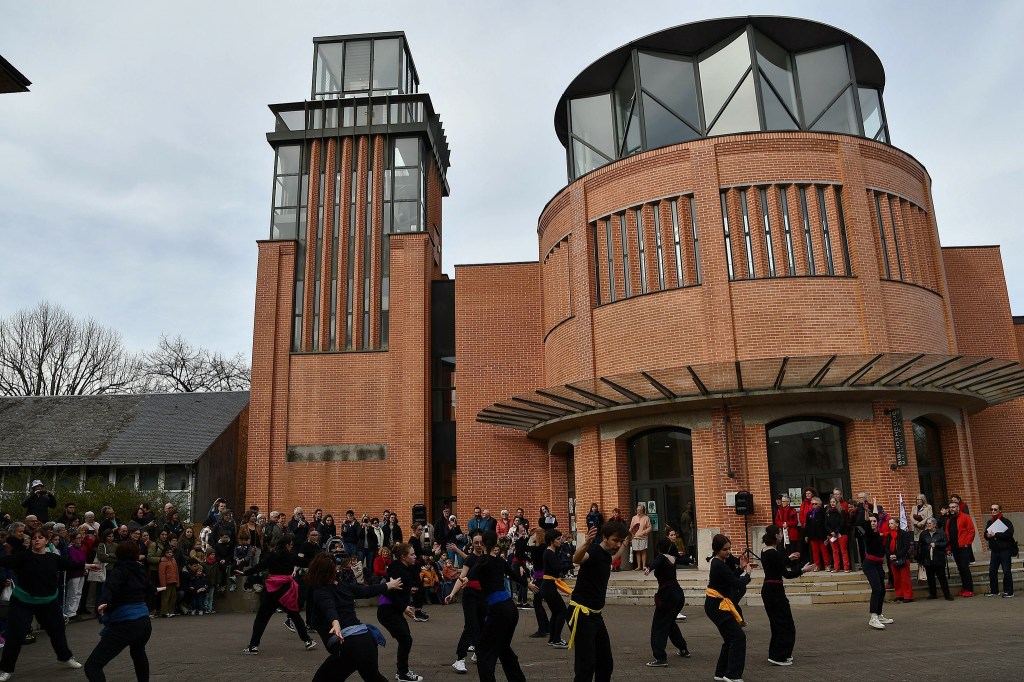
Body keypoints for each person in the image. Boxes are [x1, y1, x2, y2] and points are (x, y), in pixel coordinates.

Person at [0, 529, 101, 680]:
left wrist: (88, 566)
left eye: (40, 537)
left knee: (58, 631)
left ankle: (65, 658)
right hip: (23, 602)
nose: (37, 540)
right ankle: (6, 669)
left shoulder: (52, 558)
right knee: (15, 635)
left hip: (48, 602)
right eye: (34, 538)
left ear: (46, 541)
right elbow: (4, 561)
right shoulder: (23, 556)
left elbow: (69, 564)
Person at [445, 530, 538, 682]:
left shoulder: (482, 560)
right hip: (511, 609)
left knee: (483, 651)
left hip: (499, 610)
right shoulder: (500, 561)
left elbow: (470, 574)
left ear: (483, 543)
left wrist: (465, 580)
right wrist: (528, 584)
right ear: (496, 544)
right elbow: (514, 575)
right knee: (503, 648)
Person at [568, 519, 636, 682]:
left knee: (605, 662)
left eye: (619, 541)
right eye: (615, 540)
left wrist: (627, 540)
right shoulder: (593, 551)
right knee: (586, 664)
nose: (617, 545)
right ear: (604, 537)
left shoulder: (606, 556)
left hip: (595, 615)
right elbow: (576, 559)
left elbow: (613, 558)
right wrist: (586, 542)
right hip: (581, 613)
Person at [83, 541, 159, 681]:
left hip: (127, 624)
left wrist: (103, 602)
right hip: (144, 624)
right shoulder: (140, 570)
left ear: (118, 554)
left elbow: (111, 588)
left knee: (92, 666)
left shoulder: (119, 571)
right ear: (136, 555)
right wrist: (155, 589)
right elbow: (149, 588)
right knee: (138, 652)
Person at [238, 533, 317, 655]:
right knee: (295, 616)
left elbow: (259, 567)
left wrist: (244, 573)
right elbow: (306, 562)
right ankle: (307, 641)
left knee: (261, 618)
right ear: (287, 544)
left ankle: (253, 646)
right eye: (291, 544)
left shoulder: (272, 555)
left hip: (272, 590)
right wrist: (321, 560)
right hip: (286, 591)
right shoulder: (291, 556)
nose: (292, 546)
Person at [759, 525, 814, 667]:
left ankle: (776, 653)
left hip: (768, 589)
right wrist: (803, 570)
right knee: (785, 623)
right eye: (780, 533)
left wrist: (788, 558)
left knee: (776, 623)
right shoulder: (774, 553)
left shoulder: (765, 551)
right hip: (775, 591)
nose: (782, 535)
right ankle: (780, 656)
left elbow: (776, 565)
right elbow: (786, 574)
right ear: (776, 536)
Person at [704, 534, 751, 682]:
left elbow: (729, 578)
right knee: (738, 638)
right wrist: (748, 574)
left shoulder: (719, 562)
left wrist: (741, 569)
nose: (728, 552)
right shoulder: (718, 563)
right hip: (717, 606)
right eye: (725, 549)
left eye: (729, 549)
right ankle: (732, 675)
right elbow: (737, 583)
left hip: (716, 605)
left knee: (730, 639)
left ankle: (721, 673)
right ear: (717, 550)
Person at [376, 543, 423, 681]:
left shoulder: (402, 567)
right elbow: (390, 592)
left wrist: (408, 590)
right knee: (406, 639)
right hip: (387, 611)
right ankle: (403, 673)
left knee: (405, 639)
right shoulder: (397, 570)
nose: (415, 557)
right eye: (412, 554)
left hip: (393, 610)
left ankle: (401, 671)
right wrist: (404, 607)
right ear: (403, 557)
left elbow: (402, 587)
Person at [643, 538, 690, 668]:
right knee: (669, 623)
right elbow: (684, 561)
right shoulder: (673, 558)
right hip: (678, 594)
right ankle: (683, 649)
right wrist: (690, 559)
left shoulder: (661, 557)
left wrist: (648, 568)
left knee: (659, 626)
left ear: (658, 548)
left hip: (667, 596)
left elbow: (655, 562)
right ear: (669, 547)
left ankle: (660, 657)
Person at [448, 531, 487, 674]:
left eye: (481, 542)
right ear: (472, 544)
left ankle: (478, 652)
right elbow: (462, 577)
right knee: (470, 626)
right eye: (476, 543)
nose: (479, 545)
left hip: (483, 596)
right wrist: (452, 594)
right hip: (470, 595)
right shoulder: (470, 560)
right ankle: (460, 659)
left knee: (482, 625)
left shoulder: (486, 558)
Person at [858, 499, 894, 629]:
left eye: (874, 521)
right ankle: (873, 617)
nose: (873, 523)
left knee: (882, 590)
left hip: (878, 564)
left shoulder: (877, 532)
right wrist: (868, 510)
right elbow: (867, 521)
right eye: (871, 521)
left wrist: (874, 504)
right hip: (869, 564)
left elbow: (876, 517)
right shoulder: (867, 532)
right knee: (876, 589)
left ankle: (879, 614)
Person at [540, 529, 570, 648]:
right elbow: (558, 568)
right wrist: (573, 564)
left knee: (556, 612)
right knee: (562, 611)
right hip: (548, 586)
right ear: (552, 541)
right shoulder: (549, 553)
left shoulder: (552, 552)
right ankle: (556, 639)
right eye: (558, 539)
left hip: (549, 586)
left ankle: (553, 639)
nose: (560, 541)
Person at [944, 499, 976, 597]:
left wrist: (967, 543)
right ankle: (964, 588)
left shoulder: (965, 517)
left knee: (964, 567)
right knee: (960, 568)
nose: (951, 509)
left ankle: (969, 589)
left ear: (958, 508)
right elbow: (948, 534)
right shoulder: (949, 520)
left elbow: (971, 531)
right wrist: (948, 548)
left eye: (953, 507)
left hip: (963, 547)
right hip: (954, 547)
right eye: (950, 507)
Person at [917, 517, 953, 600]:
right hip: (927, 559)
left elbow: (946, 543)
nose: (928, 525)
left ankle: (947, 595)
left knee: (942, 577)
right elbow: (920, 546)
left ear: (934, 524)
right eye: (927, 523)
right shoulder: (923, 534)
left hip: (938, 558)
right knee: (930, 578)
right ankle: (933, 594)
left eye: (930, 523)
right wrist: (920, 558)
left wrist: (936, 545)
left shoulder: (940, 533)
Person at [985, 503, 1015, 597]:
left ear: (1000, 510)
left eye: (995, 509)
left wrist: (996, 534)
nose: (993, 511)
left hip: (1005, 550)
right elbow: (986, 534)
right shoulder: (990, 522)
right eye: (991, 509)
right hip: (994, 550)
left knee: (1006, 570)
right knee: (992, 570)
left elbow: (1009, 533)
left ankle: (1009, 592)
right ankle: (994, 590)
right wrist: (988, 535)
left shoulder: (1006, 521)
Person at [884, 518, 914, 602]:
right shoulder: (889, 535)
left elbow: (906, 546)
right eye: (889, 524)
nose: (890, 525)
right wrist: (890, 555)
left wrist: (897, 555)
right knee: (896, 578)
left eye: (891, 523)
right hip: (892, 559)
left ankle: (908, 596)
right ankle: (899, 595)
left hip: (903, 558)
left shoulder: (904, 534)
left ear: (897, 524)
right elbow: (886, 547)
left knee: (905, 578)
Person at [824, 495, 851, 572]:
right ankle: (836, 567)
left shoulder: (841, 511)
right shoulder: (827, 512)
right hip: (831, 535)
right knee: (835, 551)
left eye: (834, 502)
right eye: (831, 502)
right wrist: (831, 532)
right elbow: (826, 524)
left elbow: (842, 523)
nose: (832, 503)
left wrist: (836, 532)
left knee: (843, 551)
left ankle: (846, 567)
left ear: (837, 502)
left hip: (841, 534)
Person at [630, 503, 652, 571]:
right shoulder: (634, 518)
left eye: (640, 510)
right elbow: (631, 527)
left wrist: (644, 532)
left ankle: (644, 566)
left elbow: (649, 527)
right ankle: (639, 566)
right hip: (635, 537)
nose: (638, 511)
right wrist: (631, 533)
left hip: (643, 537)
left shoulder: (646, 518)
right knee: (637, 552)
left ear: (643, 510)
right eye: (637, 510)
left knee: (643, 551)